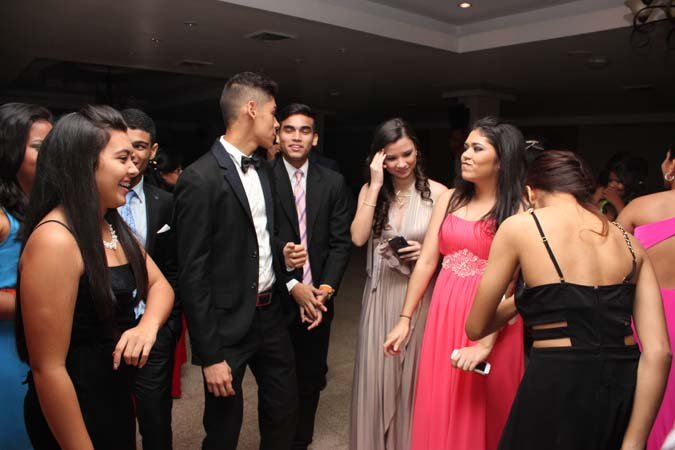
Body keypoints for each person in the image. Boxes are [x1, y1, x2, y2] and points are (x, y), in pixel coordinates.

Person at [466, 150, 671, 450]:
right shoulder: (630, 243)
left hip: (557, 377)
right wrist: (634, 442)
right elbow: (660, 352)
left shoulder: (521, 226)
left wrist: (526, 296)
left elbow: (476, 327)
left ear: (530, 192)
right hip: (620, 382)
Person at [16, 105, 173, 449]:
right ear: (84, 164)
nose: (134, 168)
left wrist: (146, 326)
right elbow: (48, 370)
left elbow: (161, 285)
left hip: (113, 398)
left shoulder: (109, 223)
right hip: (74, 407)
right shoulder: (56, 240)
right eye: (123, 158)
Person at [173, 71, 299, 450]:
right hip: (227, 324)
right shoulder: (199, 178)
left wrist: (280, 252)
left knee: (283, 410)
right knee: (224, 428)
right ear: (251, 109)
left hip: (271, 314)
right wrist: (209, 355)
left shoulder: (264, 170)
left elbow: (254, 237)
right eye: (274, 113)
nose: (276, 123)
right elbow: (193, 273)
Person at [384, 116, 526, 450]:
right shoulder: (450, 199)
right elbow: (427, 261)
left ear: (502, 160)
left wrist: (485, 344)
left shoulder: (517, 210)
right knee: (441, 401)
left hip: (492, 321)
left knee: (484, 410)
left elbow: (512, 285)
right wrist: (405, 318)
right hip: (445, 314)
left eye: (477, 148)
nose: (466, 154)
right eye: (465, 147)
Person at [350, 118, 447, 449]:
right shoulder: (372, 191)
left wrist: (429, 251)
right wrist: (375, 185)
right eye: (391, 158)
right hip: (379, 295)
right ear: (379, 159)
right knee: (376, 373)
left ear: (417, 150)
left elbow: (452, 250)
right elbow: (358, 237)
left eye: (407, 154)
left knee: (412, 376)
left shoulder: (439, 194)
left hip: (418, 295)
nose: (401, 164)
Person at [273, 103, 353, 450]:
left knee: (311, 377)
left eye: (304, 130)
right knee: (277, 381)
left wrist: (325, 289)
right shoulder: (262, 178)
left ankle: (300, 442)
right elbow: (258, 238)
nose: (296, 137)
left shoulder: (333, 182)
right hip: (277, 296)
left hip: (319, 298)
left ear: (315, 138)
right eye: (289, 129)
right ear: (278, 134)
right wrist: (292, 283)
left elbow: (340, 242)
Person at [118, 108, 181, 450]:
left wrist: (165, 328)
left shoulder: (167, 202)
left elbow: (175, 270)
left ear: (153, 150)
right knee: (111, 421)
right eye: (124, 146)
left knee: (156, 422)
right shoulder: (95, 201)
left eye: (140, 146)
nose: (132, 155)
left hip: (154, 329)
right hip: (106, 330)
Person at [0, 102, 52, 450]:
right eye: (38, 146)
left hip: (42, 344)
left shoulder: (44, 205)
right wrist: (47, 305)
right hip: (7, 350)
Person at [617, 147, 675, 450]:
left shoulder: (640, 208)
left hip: (645, 321)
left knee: (639, 405)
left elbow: (607, 267)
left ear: (671, 165)